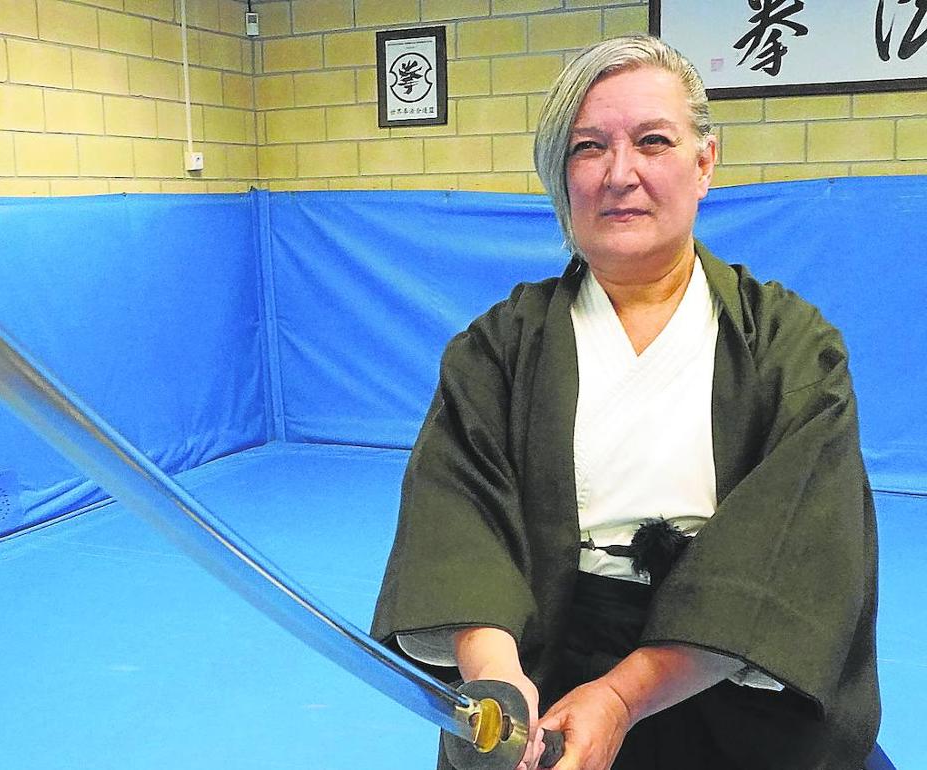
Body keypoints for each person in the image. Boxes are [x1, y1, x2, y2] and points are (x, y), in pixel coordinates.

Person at [371, 34, 879, 770]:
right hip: (540, 672)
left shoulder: (792, 348)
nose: (620, 173)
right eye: (587, 148)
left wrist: (624, 696)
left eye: (653, 140)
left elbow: (791, 557)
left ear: (705, 162)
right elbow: (457, 527)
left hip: (733, 671)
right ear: (560, 174)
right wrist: (494, 675)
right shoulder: (497, 350)